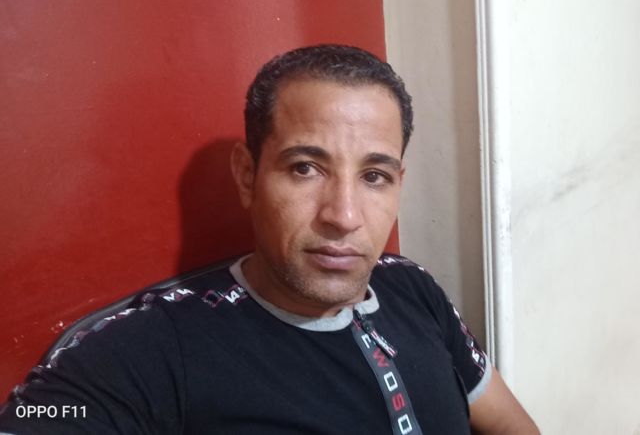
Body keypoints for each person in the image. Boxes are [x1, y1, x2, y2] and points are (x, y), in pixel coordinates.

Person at [0, 44, 539, 434]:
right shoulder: (147, 350)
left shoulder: (410, 286)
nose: (344, 216)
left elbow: (512, 425)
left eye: (374, 176)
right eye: (305, 168)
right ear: (247, 176)